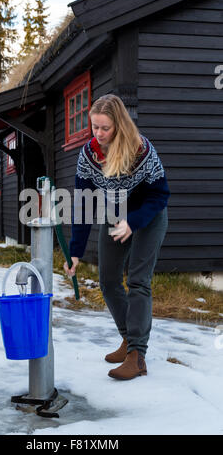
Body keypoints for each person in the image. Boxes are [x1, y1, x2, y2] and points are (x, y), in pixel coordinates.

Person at [63, 94, 170, 380]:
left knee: (137, 280)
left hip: (147, 217)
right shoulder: (88, 155)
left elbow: (160, 195)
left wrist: (132, 223)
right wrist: (75, 252)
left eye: (104, 128)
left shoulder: (142, 150)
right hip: (113, 215)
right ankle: (129, 339)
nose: (98, 134)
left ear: (119, 126)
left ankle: (138, 356)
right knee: (108, 280)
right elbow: (83, 203)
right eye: (94, 127)